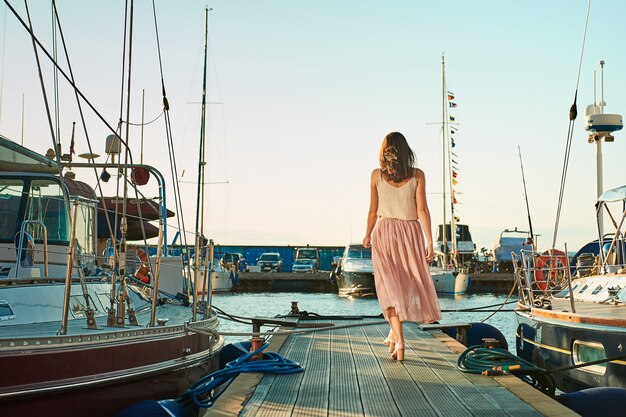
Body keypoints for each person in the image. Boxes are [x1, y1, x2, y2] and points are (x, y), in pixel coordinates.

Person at [363, 132, 441, 361]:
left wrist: (367, 234)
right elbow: (422, 211)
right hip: (410, 233)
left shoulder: (376, 176)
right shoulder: (418, 175)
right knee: (406, 287)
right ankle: (395, 335)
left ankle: (399, 341)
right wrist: (429, 240)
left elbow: (372, 211)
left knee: (388, 288)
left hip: (385, 233)